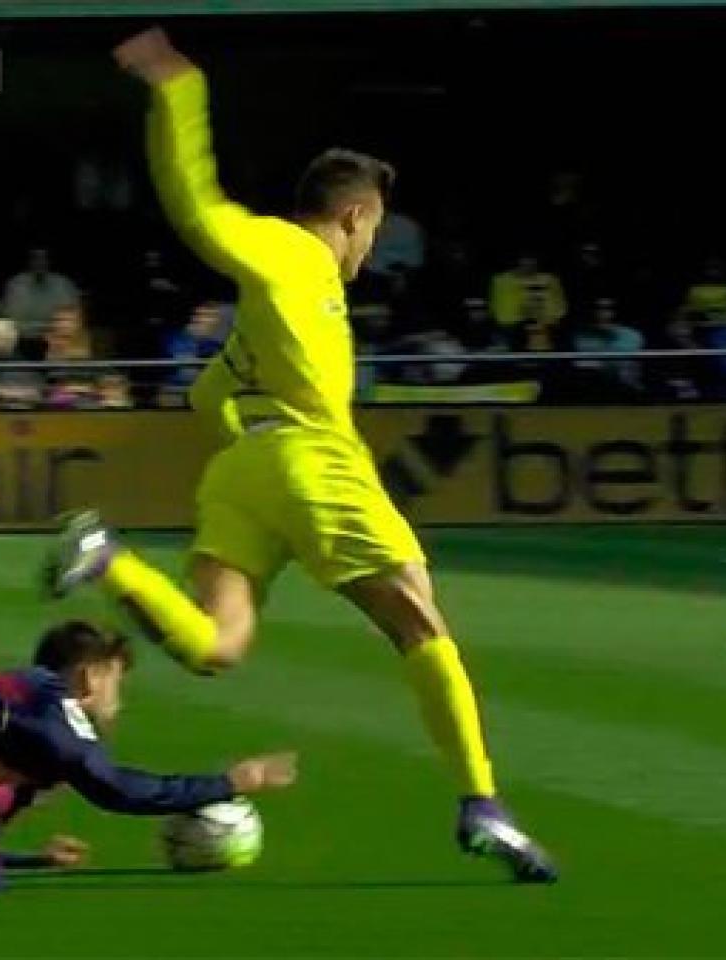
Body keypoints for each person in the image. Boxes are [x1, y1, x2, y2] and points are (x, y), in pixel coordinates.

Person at [44, 28, 555, 883]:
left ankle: (111, 559)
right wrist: (179, 89)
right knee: (422, 626)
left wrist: (257, 453)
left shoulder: (286, 305)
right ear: (354, 215)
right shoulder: (291, 254)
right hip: (313, 461)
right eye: (374, 229)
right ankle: (483, 805)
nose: (372, 249)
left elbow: (209, 395)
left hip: (249, 471)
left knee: (216, 646)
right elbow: (200, 209)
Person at [0, 623, 298, 896]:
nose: (119, 702)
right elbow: (123, 790)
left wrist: (36, 858)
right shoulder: (54, 727)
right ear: (88, 678)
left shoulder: (34, 718)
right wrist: (234, 780)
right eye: (115, 682)